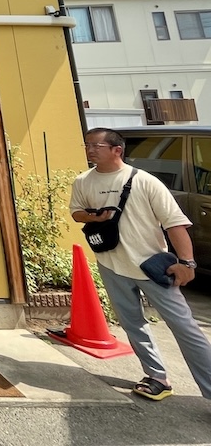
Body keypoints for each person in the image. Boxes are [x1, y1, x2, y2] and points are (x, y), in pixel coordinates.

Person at [70, 127, 211, 401]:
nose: (90, 150)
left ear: (116, 150)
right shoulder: (83, 181)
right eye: (87, 145)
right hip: (111, 264)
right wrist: (95, 218)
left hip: (152, 267)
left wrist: (187, 263)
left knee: (185, 328)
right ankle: (157, 376)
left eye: (96, 145)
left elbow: (175, 224)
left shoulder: (145, 181)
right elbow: (77, 213)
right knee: (132, 323)